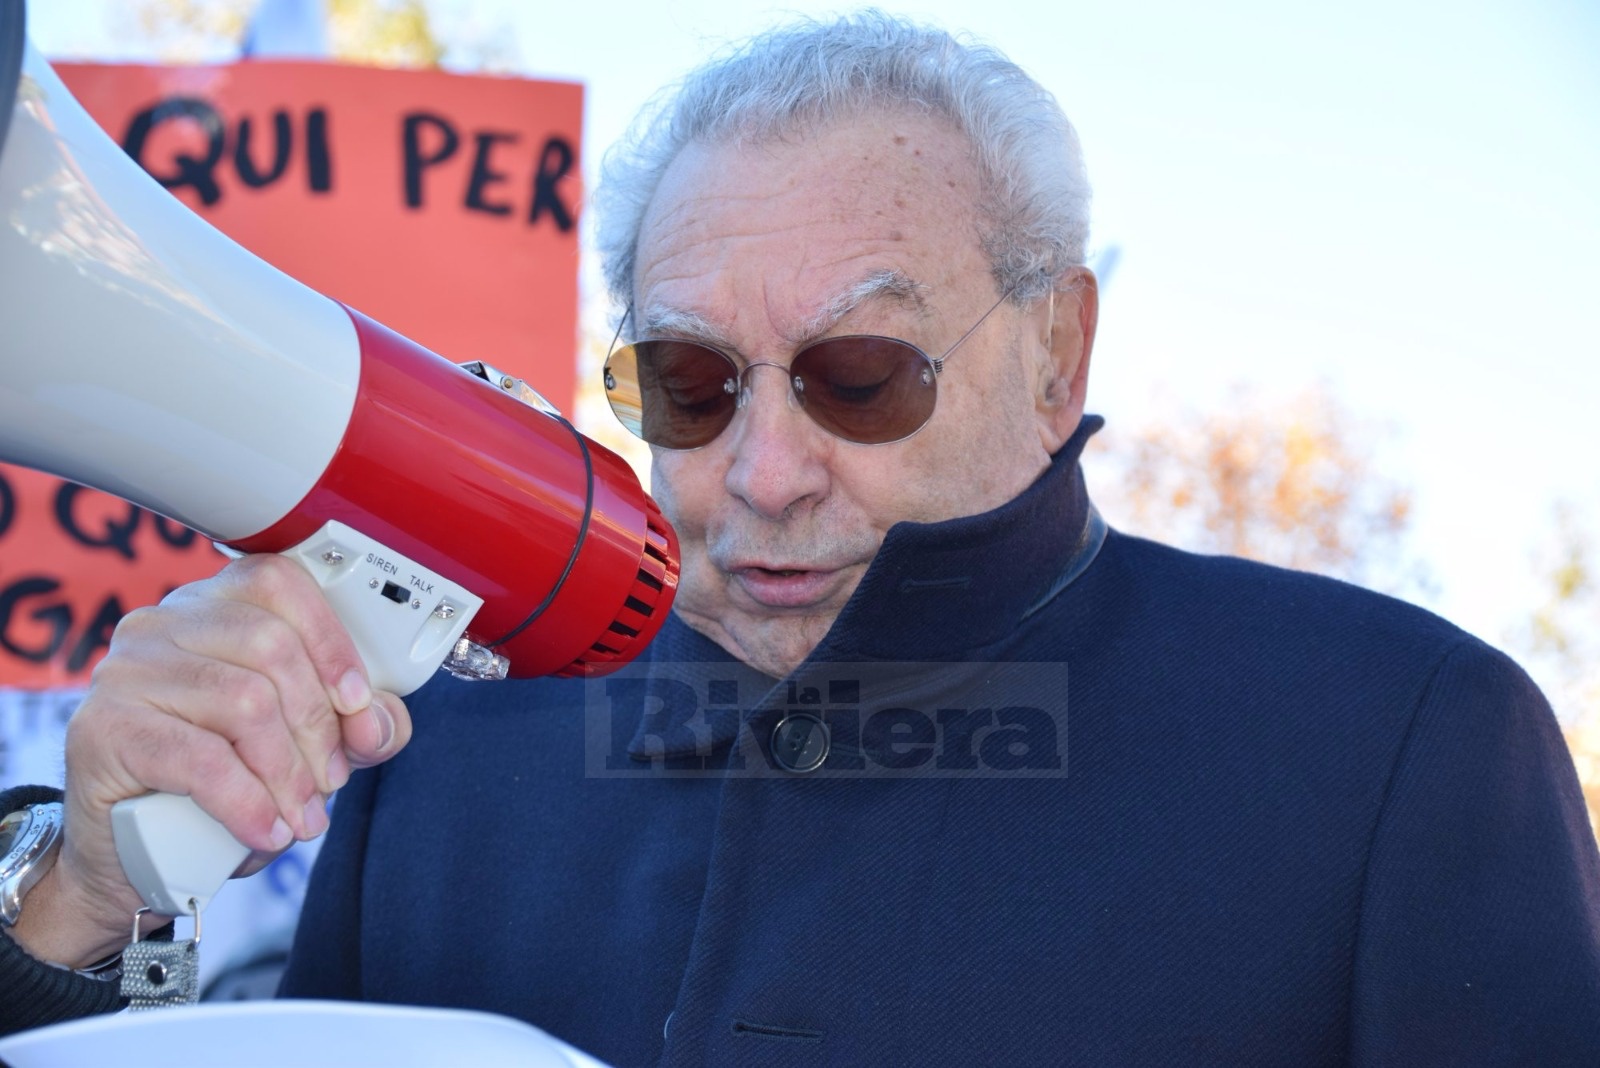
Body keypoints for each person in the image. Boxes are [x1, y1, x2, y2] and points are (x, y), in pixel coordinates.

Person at [4, 11, 1599, 1063]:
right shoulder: (443, 761)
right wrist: (78, 900)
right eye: (689, 382)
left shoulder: (1399, 745)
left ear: (1058, 354)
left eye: (860, 376)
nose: (765, 471)